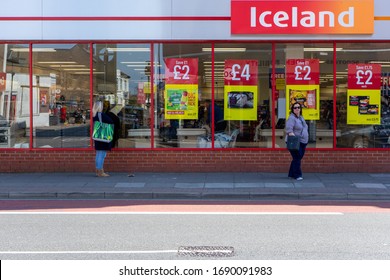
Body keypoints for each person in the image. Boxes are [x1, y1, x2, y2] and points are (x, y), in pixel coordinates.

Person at [285, 102, 309, 181]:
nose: (297, 109)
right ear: (292, 109)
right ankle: (297, 175)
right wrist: (295, 139)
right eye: (295, 108)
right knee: (297, 158)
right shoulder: (291, 118)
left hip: (303, 141)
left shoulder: (301, 117)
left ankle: (291, 174)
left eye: (298, 107)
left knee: (297, 158)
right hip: (295, 142)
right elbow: (289, 130)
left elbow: (305, 127)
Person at [93, 101, 114, 177]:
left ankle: (98, 171)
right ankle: (100, 172)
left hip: (97, 137)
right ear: (99, 107)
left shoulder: (94, 115)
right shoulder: (101, 115)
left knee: (98, 154)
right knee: (101, 154)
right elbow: (111, 121)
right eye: (101, 106)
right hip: (102, 137)